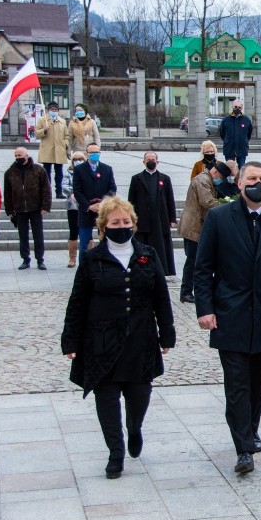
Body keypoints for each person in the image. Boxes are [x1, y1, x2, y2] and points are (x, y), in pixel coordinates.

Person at [194, 161, 261, 474]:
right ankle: (244, 448)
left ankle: (250, 428)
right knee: (237, 385)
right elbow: (203, 268)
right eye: (251, 178)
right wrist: (205, 309)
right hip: (230, 315)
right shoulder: (218, 217)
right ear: (239, 183)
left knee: (258, 383)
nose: (257, 182)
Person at [61, 196, 176, 479]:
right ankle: (115, 452)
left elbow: (161, 297)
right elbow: (77, 301)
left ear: (134, 224)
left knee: (140, 395)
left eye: (126, 221)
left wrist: (167, 334)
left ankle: (134, 427)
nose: (121, 226)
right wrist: (71, 341)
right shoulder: (91, 259)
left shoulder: (147, 254)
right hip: (101, 340)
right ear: (103, 226)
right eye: (115, 222)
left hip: (140, 339)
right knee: (107, 397)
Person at [178, 161, 223, 303]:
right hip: (193, 227)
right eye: (221, 177)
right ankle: (185, 292)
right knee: (192, 261)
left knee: (196, 260)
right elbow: (207, 202)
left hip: (197, 225)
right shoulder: (203, 180)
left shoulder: (207, 179)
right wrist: (227, 205)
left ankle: (191, 290)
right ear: (216, 173)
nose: (220, 180)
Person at [127, 152, 176, 276]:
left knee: (161, 247)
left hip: (160, 220)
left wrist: (172, 219)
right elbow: (131, 201)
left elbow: (170, 199)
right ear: (144, 162)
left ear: (157, 162)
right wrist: (131, 218)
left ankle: (163, 270)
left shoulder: (165, 178)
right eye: (148, 159)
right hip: (142, 220)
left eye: (153, 159)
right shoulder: (136, 178)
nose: (151, 161)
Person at [4, 147, 52, 270]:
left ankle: (40, 259)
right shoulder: (10, 172)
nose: (17, 157)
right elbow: (7, 193)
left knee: (38, 235)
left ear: (26, 155)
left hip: (36, 208)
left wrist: (45, 206)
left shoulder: (39, 170)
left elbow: (46, 189)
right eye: (16, 155)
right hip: (20, 209)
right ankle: (25, 259)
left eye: (20, 155)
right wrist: (9, 210)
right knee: (23, 235)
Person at [73, 142, 117, 257]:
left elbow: (112, 189)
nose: (94, 154)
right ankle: (83, 270)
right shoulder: (79, 169)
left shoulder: (107, 169)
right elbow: (77, 191)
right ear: (86, 154)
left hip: (103, 211)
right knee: (84, 244)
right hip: (86, 211)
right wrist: (88, 206)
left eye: (96, 152)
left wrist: (103, 203)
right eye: (92, 153)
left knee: (105, 242)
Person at [36, 101, 70, 199]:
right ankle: (47, 193)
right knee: (47, 173)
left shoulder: (62, 121)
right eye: (52, 109)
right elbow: (37, 133)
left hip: (59, 150)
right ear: (48, 110)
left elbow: (66, 135)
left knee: (59, 173)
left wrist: (65, 144)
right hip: (47, 150)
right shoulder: (43, 120)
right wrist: (44, 130)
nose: (54, 111)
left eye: (55, 110)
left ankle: (59, 192)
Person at [62, 152, 85, 268]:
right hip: (73, 206)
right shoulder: (69, 172)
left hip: (86, 206)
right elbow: (64, 186)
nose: (78, 160)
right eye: (76, 159)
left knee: (87, 233)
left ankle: (87, 257)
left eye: (80, 158)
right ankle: (72, 258)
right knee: (73, 232)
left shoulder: (87, 171)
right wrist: (73, 193)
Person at [219, 99, 253, 169]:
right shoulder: (226, 120)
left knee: (241, 170)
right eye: (235, 106)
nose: (237, 108)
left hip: (242, 149)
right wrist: (227, 140)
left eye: (239, 107)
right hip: (229, 148)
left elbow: (249, 134)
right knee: (229, 170)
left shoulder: (246, 120)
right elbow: (222, 133)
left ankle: (239, 180)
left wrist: (244, 141)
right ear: (232, 107)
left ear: (242, 108)